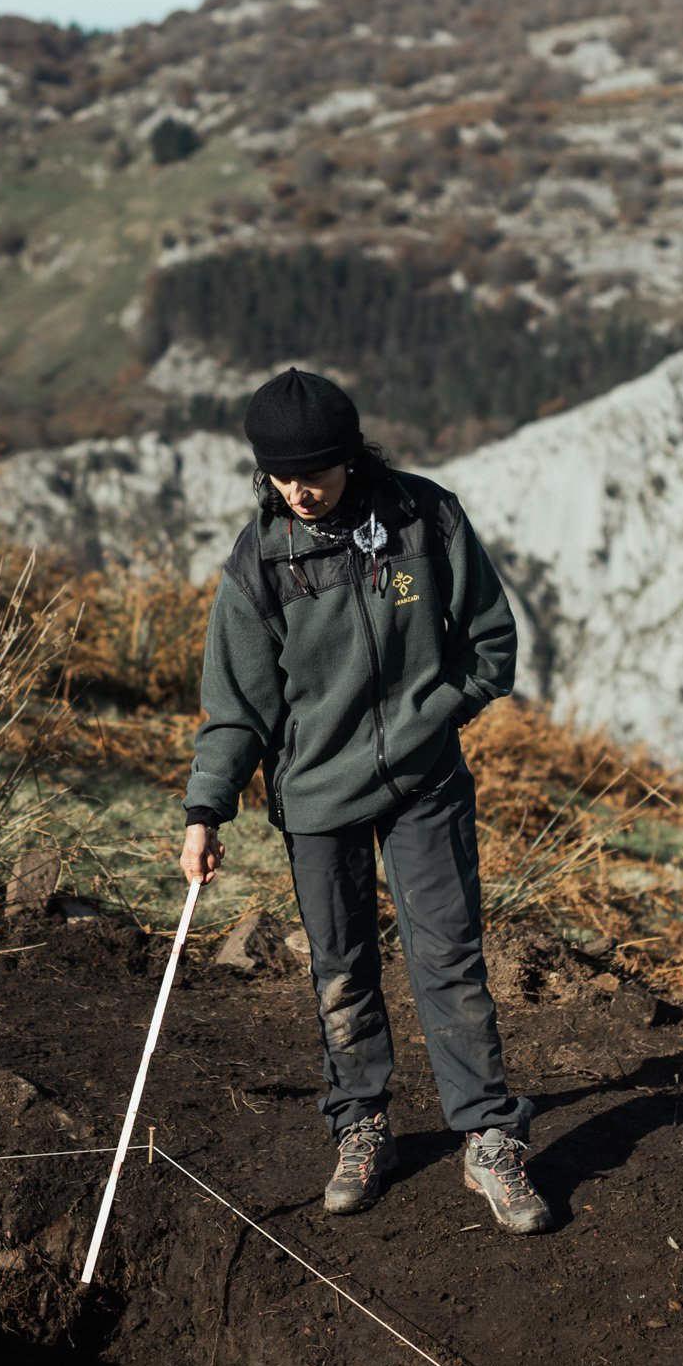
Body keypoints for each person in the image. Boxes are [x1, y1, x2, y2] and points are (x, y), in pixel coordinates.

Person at [179, 366, 551, 1233]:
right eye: (280, 474)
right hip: (314, 796)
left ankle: (489, 1136)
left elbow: (490, 643)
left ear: (351, 454)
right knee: (341, 968)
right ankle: (361, 1125)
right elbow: (236, 707)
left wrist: (436, 713)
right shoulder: (261, 562)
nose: (298, 489)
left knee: (449, 957)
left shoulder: (428, 518)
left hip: (426, 783)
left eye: (315, 469)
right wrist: (206, 809)